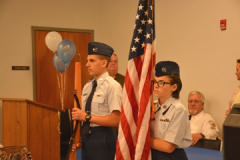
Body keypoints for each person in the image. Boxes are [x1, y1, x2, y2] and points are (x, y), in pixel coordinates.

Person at [71, 42, 122, 160]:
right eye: (87, 60)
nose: (87, 64)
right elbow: (82, 117)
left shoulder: (113, 86)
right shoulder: (87, 86)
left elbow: (116, 119)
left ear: (104, 63)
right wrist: (80, 139)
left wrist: (87, 117)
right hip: (87, 138)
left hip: (103, 138)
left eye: (92, 61)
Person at [150, 61, 192, 160]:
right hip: (152, 153)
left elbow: (168, 147)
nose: (156, 86)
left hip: (171, 157)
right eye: (155, 82)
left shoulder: (178, 110)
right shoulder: (153, 106)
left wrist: (142, 140)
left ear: (174, 87)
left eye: (161, 83)